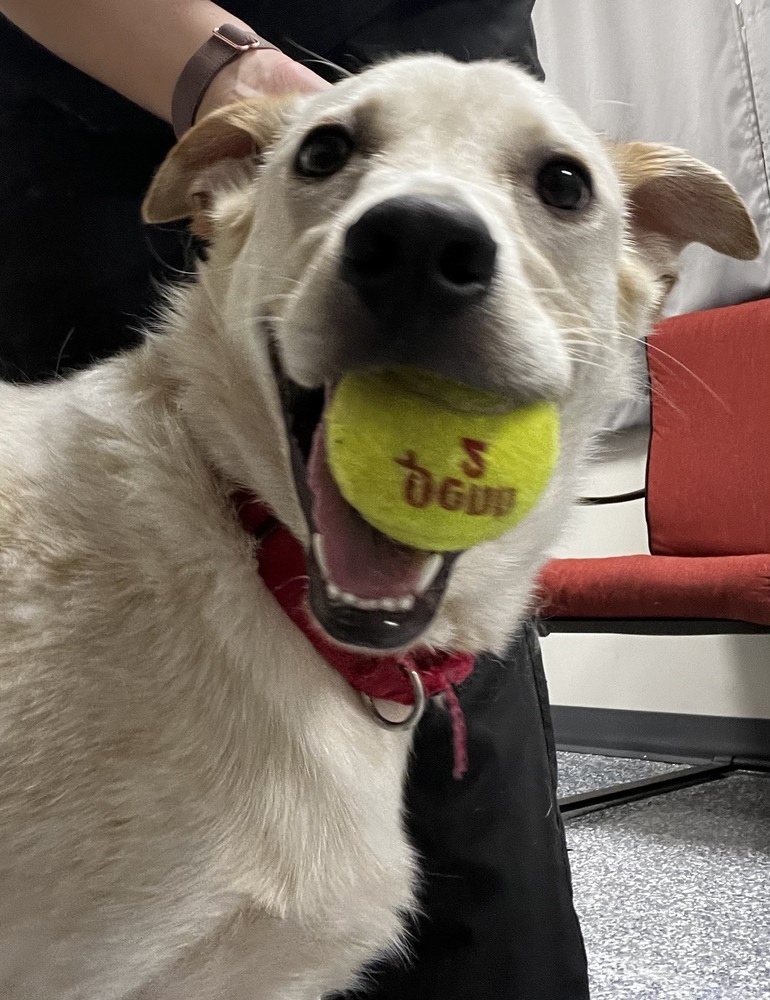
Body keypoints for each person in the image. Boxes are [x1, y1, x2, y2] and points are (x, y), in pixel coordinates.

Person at [0, 3, 590, 997]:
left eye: (562, 186)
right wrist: (247, 94)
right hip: (112, 100)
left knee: (484, 940)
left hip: (437, 35)